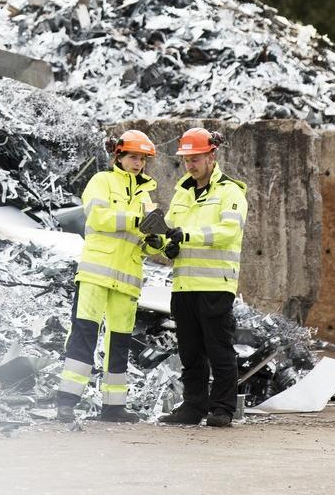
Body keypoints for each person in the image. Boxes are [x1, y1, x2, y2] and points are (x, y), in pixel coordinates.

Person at [56, 129, 159, 423]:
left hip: (127, 280)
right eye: (133, 157)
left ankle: (113, 407)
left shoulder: (147, 196)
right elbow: (99, 218)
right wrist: (138, 220)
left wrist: (160, 241)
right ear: (119, 156)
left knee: (120, 343)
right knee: (83, 336)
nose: (138, 163)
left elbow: (153, 236)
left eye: (142, 159)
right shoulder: (101, 181)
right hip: (95, 276)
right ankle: (67, 402)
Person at [157, 127, 248, 428]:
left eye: (196, 159)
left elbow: (227, 232)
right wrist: (165, 244)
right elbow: (170, 226)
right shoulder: (182, 192)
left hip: (215, 284)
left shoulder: (230, 192)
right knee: (190, 352)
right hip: (184, 285)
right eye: (186, 160)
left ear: (212, 156)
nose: (190, 165)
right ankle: (193, 407)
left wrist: (188, 235)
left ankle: (222, 408)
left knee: (219, 349)